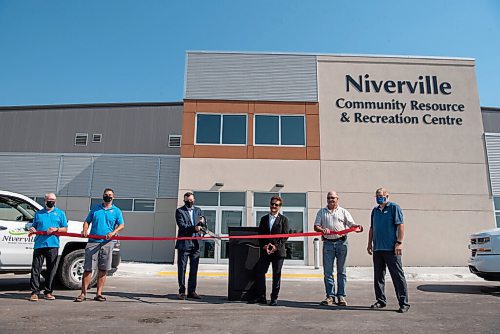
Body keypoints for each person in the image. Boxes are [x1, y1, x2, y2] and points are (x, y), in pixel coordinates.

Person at [75, 188, 124, 302]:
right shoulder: (95, 209)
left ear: (113, 197)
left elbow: (121, 225)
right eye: (106, 195)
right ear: (103, 196)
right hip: (93, 242)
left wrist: (113, 232)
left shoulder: (116, 211)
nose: (108, 197)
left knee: (103, 269)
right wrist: (85, 229)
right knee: (88, 269)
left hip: (107, 243)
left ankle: (99, 293)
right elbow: (87, 221)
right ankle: (83, 293)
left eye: (110, 195)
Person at [314, 191, 362, 306]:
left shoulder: (343, 212)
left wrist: (357, 227)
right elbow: (316, 226)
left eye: (333, 198)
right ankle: (330, 296)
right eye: (329, 197)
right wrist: (322, 230)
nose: (331, 199)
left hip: (342, 243)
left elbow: (351, 225)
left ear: (337, 199)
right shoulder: (321, 212)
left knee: (342, 271)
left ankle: (341, 296)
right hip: (328, 244)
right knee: (328, 272)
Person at [367, 187, 410, 313]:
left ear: (387, 195)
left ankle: (404, 303)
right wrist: (369, 244)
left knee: (397, 276)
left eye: (380, 195)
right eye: (376, 195)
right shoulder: (375, 211)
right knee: (378, 276)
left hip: (391, 249)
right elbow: (372, 228)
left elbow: (400, 225)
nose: (378, 197)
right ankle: (381, 301)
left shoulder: (394, 208)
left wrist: (399, 243)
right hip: (378, 248)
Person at [248, 196, 289, 306]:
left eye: (276, 205)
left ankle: (274, 298)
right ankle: (261, 296)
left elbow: (285, 236)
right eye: (272, 204)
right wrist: (265, 246)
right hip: (266, 251)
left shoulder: (284, 219)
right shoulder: (264, 219)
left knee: (276, 275)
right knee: (260, 272)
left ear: (280, 207)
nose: (273, 206)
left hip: (278, 252)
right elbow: (260, 235)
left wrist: (276, 246)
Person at [28, 193, 68, 301]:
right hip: (39, 244)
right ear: (45, 200)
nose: (51, 201)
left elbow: (65, 229)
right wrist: (32, 229)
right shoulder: (38, 213)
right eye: (49, 199)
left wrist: (56, 229)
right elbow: (33, 226)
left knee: (51, 270)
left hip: (53, 245)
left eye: (53, 200)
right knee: (36, 269)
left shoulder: (60, 213)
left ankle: (48, 292)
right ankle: (34, 292)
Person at [175, 191, 203, 300]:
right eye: (188, 200)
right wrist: (194, 228)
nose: (190, 202)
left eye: (192, 200)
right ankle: (182, 291)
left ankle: (192, 291)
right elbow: (182, 226)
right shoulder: (179, 211)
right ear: (185, 200)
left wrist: (202, 224)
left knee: (194, 268)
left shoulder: (198, 210)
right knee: (182, 268)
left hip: (196, 243)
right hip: (184, 244)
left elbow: (200, 223)